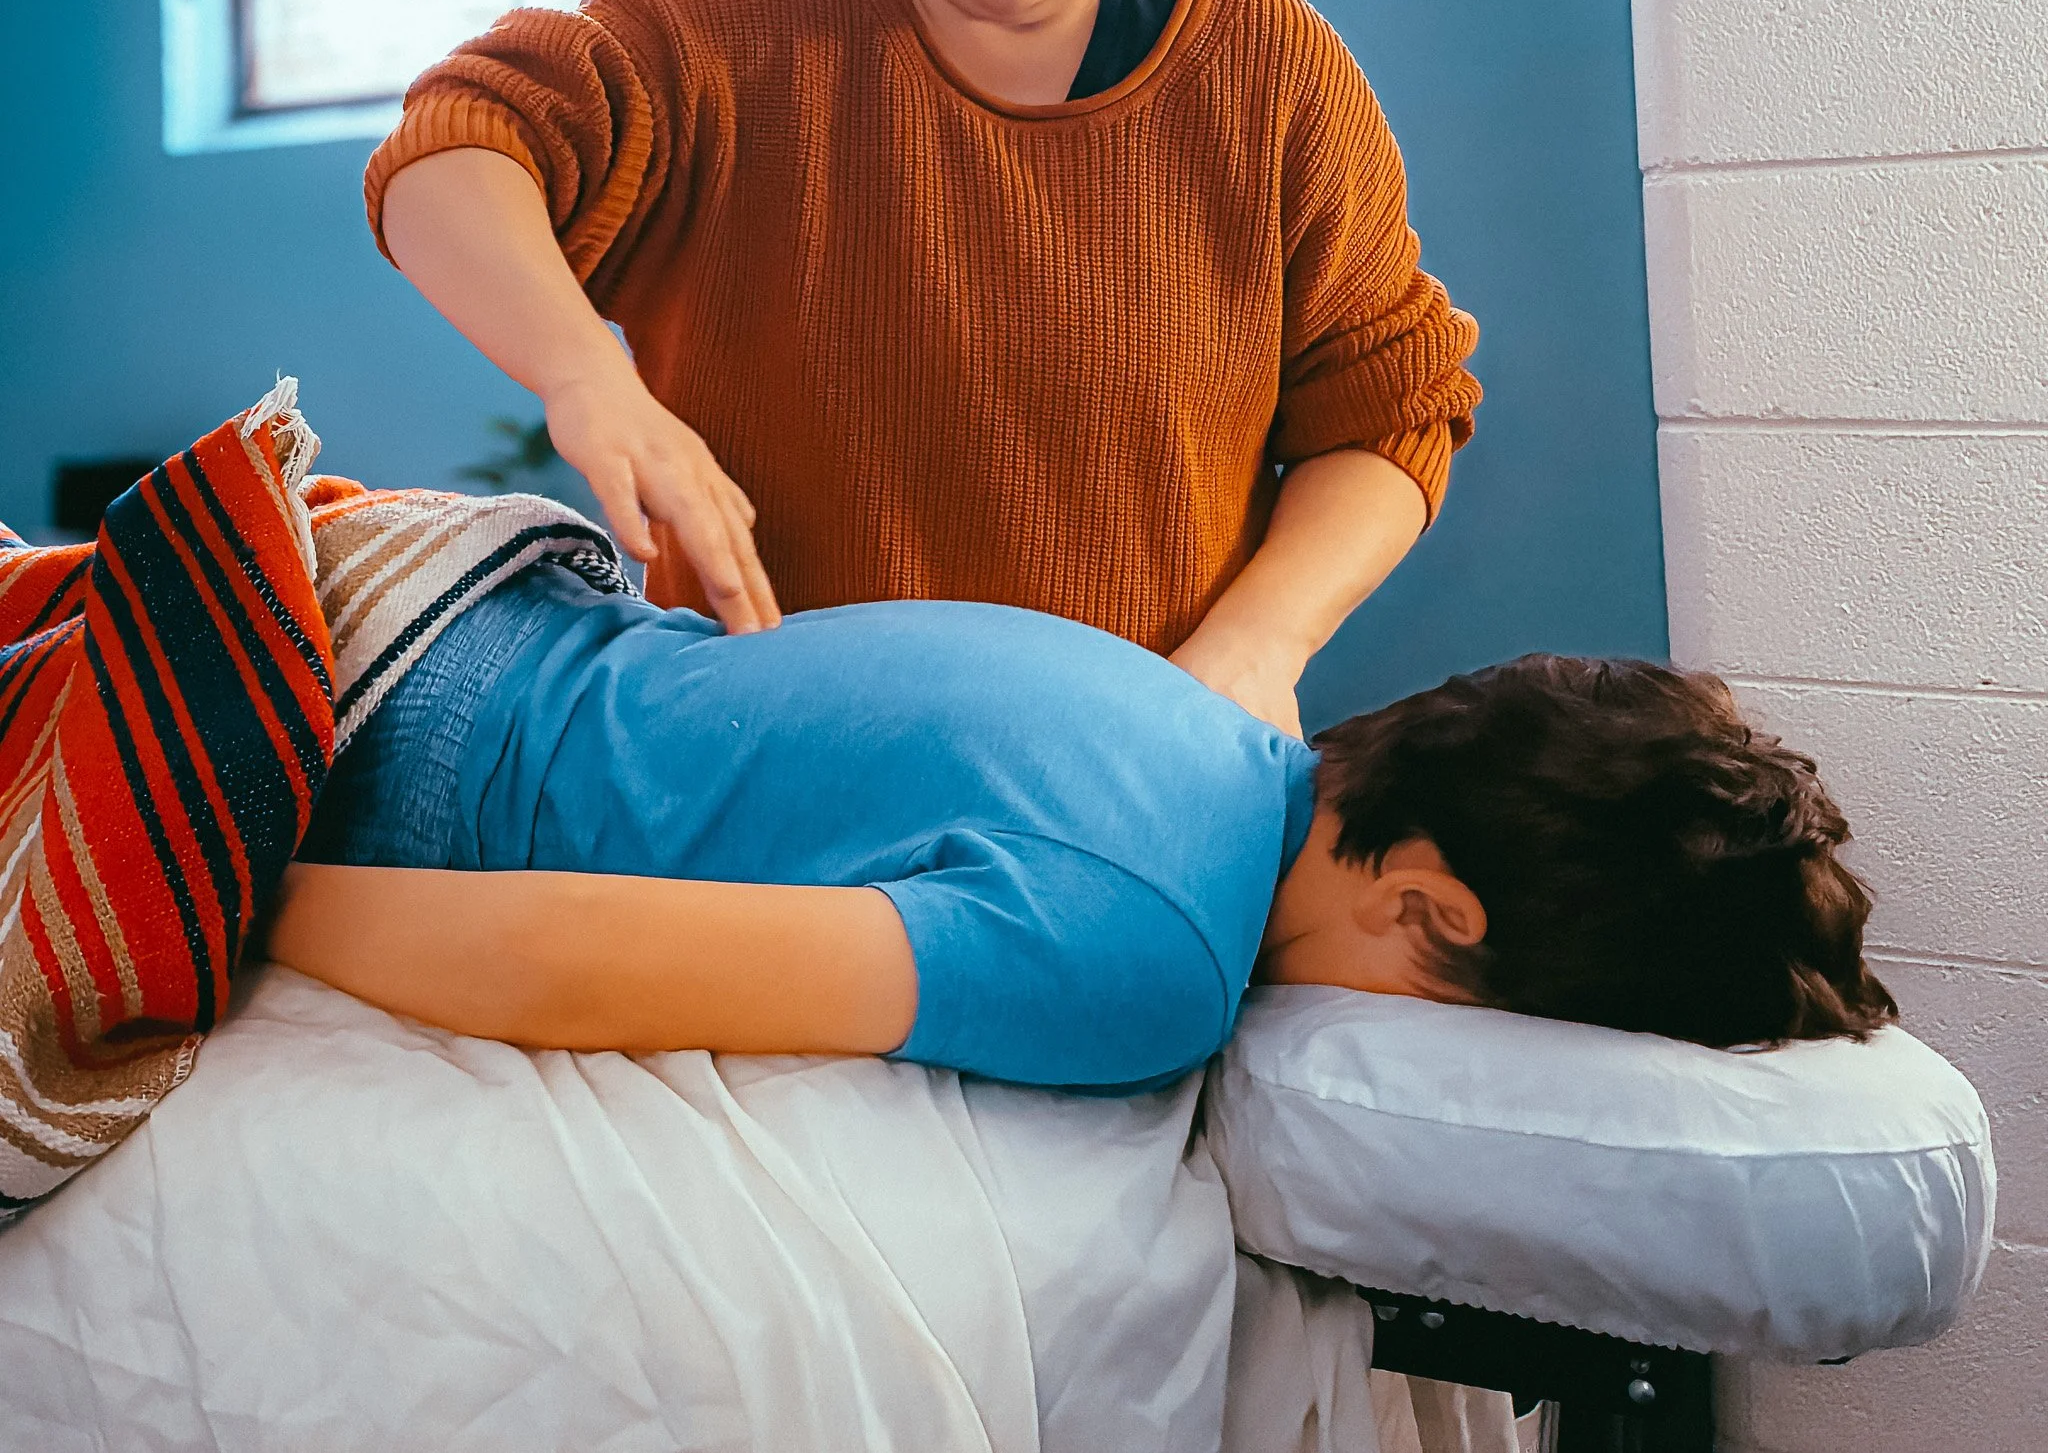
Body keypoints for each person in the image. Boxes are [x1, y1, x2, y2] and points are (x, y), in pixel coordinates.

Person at [362, 0, 1482, 737]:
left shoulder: (1269, 72)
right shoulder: (734, 21)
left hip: (1149, 762)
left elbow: (1386, 411)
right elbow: (457, 145)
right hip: (766, 759)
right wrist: (583, 380)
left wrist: (1256, 646)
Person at [270, 566, 1895, 1091]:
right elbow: (566, 957)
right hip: (396, 753)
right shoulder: (1153, 955)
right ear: (1430, 909)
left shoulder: (1177, 714)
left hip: (470, 599)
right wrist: (236, 922)